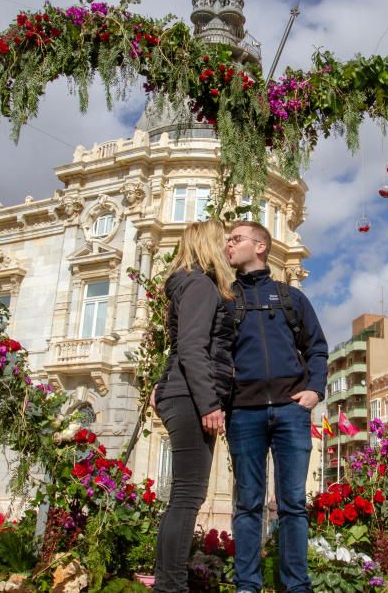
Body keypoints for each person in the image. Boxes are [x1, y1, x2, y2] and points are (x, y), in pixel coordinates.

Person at [224, 220, 328, 593]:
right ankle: (247, 585)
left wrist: (314, 391)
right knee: (248, 503)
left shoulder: (290, 298)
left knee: (293, 504)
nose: (229, 245)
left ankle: (296, 586)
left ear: (261, 246)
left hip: (290, 412)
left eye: (236, 239)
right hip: (244, 414)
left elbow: (316, 347)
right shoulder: (226, 299)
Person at [150, 219, 237, 593]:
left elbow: (180, 344)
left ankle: (166, 581)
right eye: (224, 242)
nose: (229, 250)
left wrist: (163, 384)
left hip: (180, 391)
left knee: (182, 495)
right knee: (188, 495)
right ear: (209, 245)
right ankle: (171, 586)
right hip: (190, 396)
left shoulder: (186, 283)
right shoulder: (201, 284)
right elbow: (191, 347)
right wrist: (209, 402)